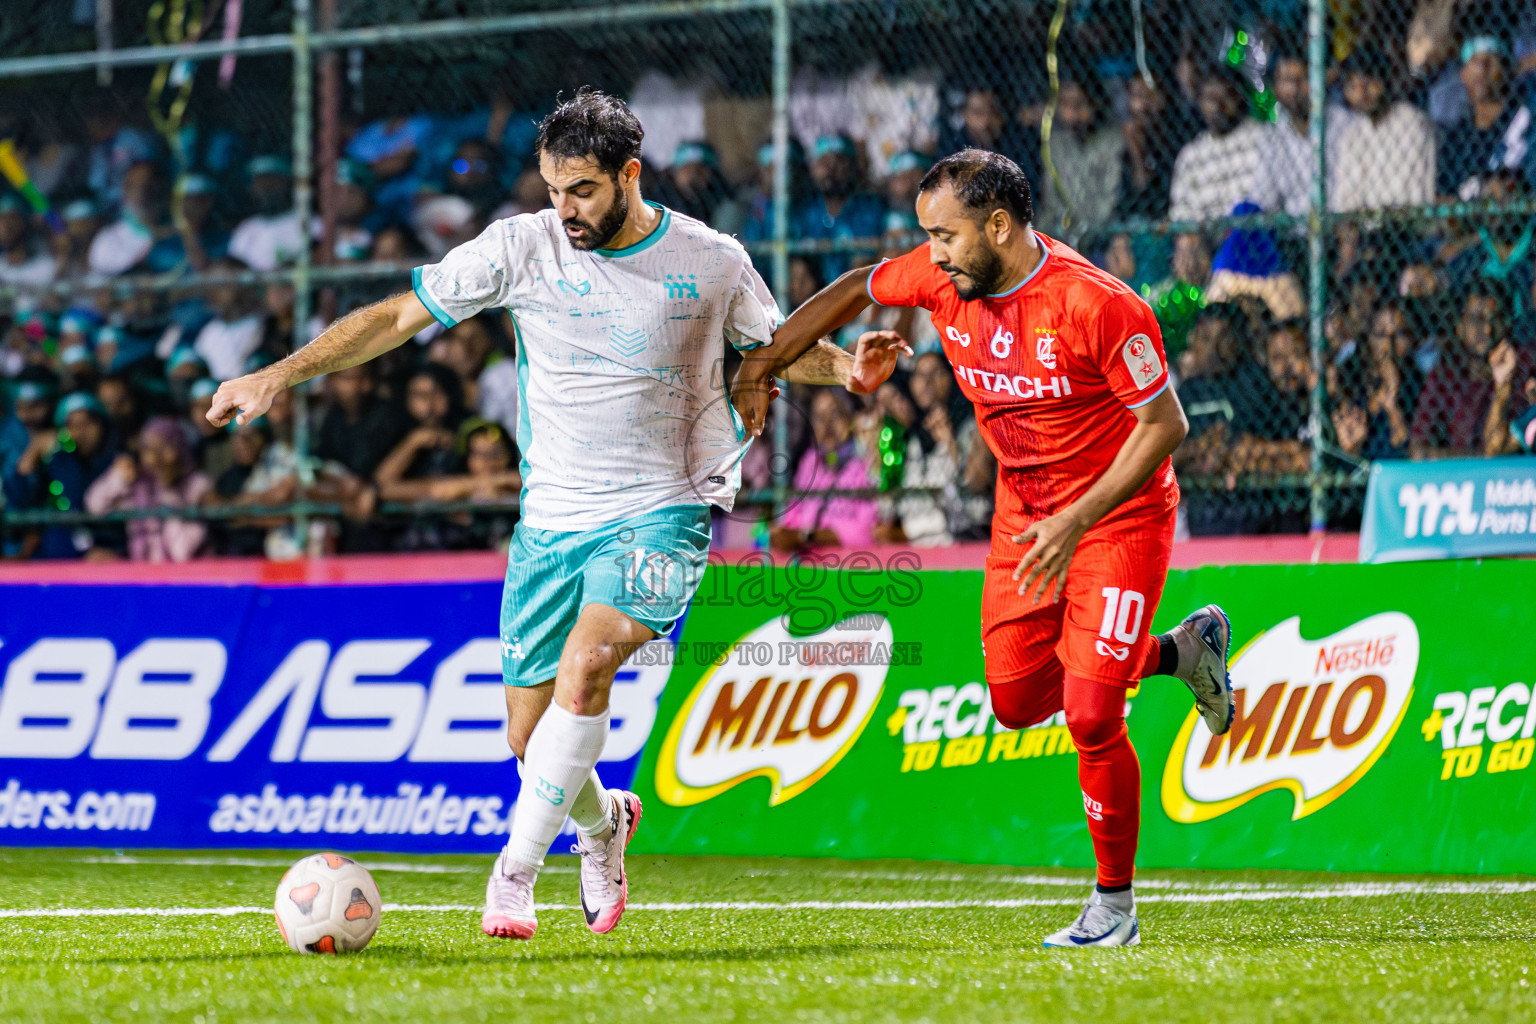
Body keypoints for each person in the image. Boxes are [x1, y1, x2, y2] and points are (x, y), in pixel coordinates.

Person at [205, 89, 886, 942]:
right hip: (552, 521)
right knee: (532, 743)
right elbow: (396, 317)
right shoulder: (522, 246)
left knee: (591, 661)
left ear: (630, 174)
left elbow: (775, 347)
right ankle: (606, 824)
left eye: (584, 191)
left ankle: (514, 874)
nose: (565, 210)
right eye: (554, 189)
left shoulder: (711, 260)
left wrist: (847, 370)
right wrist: (278, 374)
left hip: (663, 505)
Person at [734, 148, 1237, 949]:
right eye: (928, 236)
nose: (932, 254)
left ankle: (1113, 907)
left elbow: (1164, 425)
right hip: (1024, 518)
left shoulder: (1098, 305)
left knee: (1091, 713)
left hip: (1118, 516)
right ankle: (1181, 652)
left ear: (999, 226)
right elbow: (857, 285)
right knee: (1015, 703)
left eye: (945, 235)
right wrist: (764, 365)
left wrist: (1077, 519)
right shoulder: (943, 279)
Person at [1331, 48, 1436, 212]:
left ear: (1383, 80)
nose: (1361, 92)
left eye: (1367, 82)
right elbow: (1345, 198)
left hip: (1406, 221)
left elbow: (1412, 196)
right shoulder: (1352, 134)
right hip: (1366, 224)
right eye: (1352, 86)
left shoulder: (1411, 122)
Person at [1168, 66, 1266, 223]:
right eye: (1210, 99)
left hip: (1249, 230)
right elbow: (1180, 212)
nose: (1218, 107)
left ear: (1240, 98)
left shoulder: (1262, 139)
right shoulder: (1190, 155)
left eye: (1226, 97)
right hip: (1204, 233)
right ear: (1200, 102)